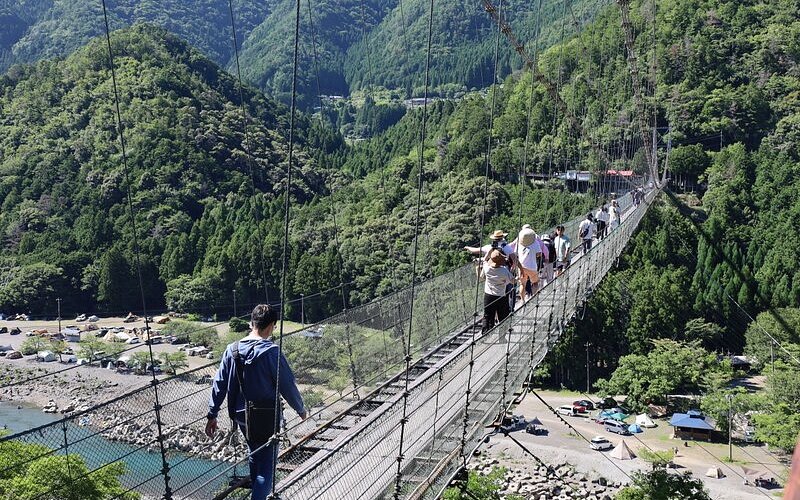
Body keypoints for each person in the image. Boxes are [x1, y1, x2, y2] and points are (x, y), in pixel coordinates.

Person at [206, 304, 307, 499]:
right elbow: (287, 385)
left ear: (252, 322)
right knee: (266, 469)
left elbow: (219, 383)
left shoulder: (232, 349)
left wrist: (212, 414)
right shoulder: (271, 352)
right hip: (265, 417)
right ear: (271, 326)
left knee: (254, 452)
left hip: (241, 415)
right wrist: (300, 410)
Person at [481, 249, 515, 333]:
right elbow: (512, 281)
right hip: (500, 296)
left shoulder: (487, 268)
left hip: (488, 295)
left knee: (488, 316)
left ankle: (486, 334)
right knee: (503, 316)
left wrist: (488, 253)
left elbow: (482, 275)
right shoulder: (504, 271)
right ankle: (502, 336)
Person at [510, 225, 540, 302]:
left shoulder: (519, 242)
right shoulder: (535, 241)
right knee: (535, 283)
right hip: (532, 266)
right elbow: (539, 253)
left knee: (522, 284)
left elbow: (515, 253)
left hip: (521, 266)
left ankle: (523, 301)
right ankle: (533, 298)